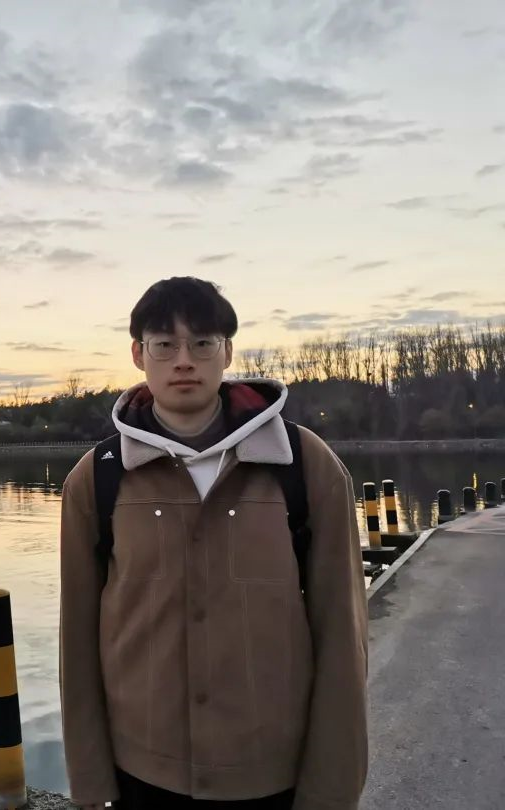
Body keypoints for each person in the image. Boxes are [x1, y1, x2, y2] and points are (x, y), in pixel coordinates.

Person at [59, 277, 368, 809]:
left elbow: (343, 635)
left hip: (272, 776)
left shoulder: (306, 466)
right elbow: (78, 642)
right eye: (164, 344)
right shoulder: (98, 478)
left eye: (202, 343)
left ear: (227, 352)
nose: (184, 361)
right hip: (141, 774)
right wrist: (91, 785)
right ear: (138, 354)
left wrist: (331, 791)